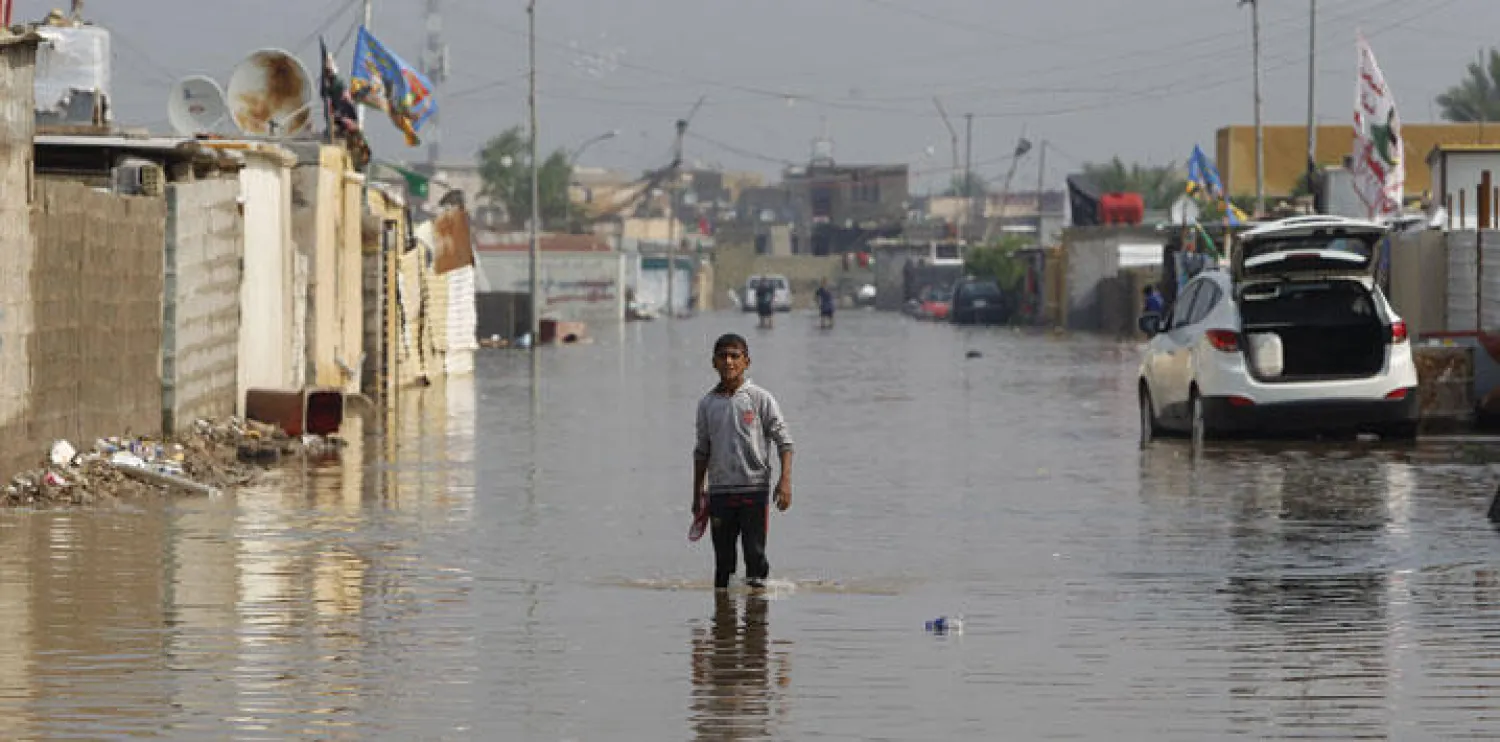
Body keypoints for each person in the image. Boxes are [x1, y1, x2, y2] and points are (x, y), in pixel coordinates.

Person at [693, 334, 794, 591]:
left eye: (734, 356)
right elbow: (702, 451)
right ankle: (723, 624)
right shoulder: (707, 404)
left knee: (755, 557)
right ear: (713, 362)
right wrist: (697, 494)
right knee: (723, 564)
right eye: (723, 356)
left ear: (746, 361)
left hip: (754, 489)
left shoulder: (760, 398)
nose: (728, 361)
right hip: (720, 492)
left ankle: (756, 624)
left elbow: (785, 443)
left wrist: (785, 482)